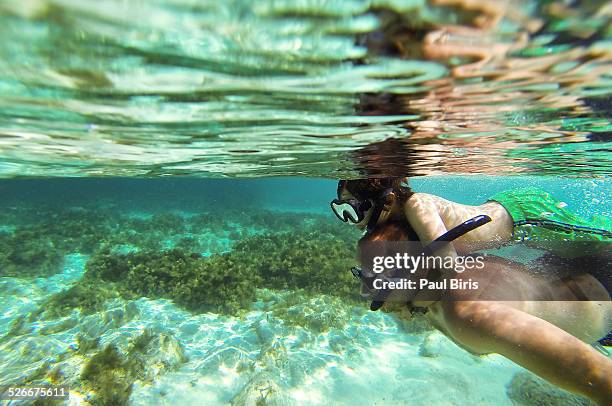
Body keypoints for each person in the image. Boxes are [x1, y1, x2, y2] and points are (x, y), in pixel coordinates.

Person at [357, 221, 612, 405]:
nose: (367, 289)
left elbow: (599, 377)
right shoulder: (444, 273)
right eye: (362, 274)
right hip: (575, 271)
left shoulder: (469, 313)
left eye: (375, 278)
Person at [330, 177, 611, 273]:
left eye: (352, 210)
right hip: (511, 214)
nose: (349, 220)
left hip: (524, 214)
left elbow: (449, 265)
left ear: (388, 201)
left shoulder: (418, 207)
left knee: (599, 239)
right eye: (340, 210)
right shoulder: (401, 215)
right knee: (581, 253)